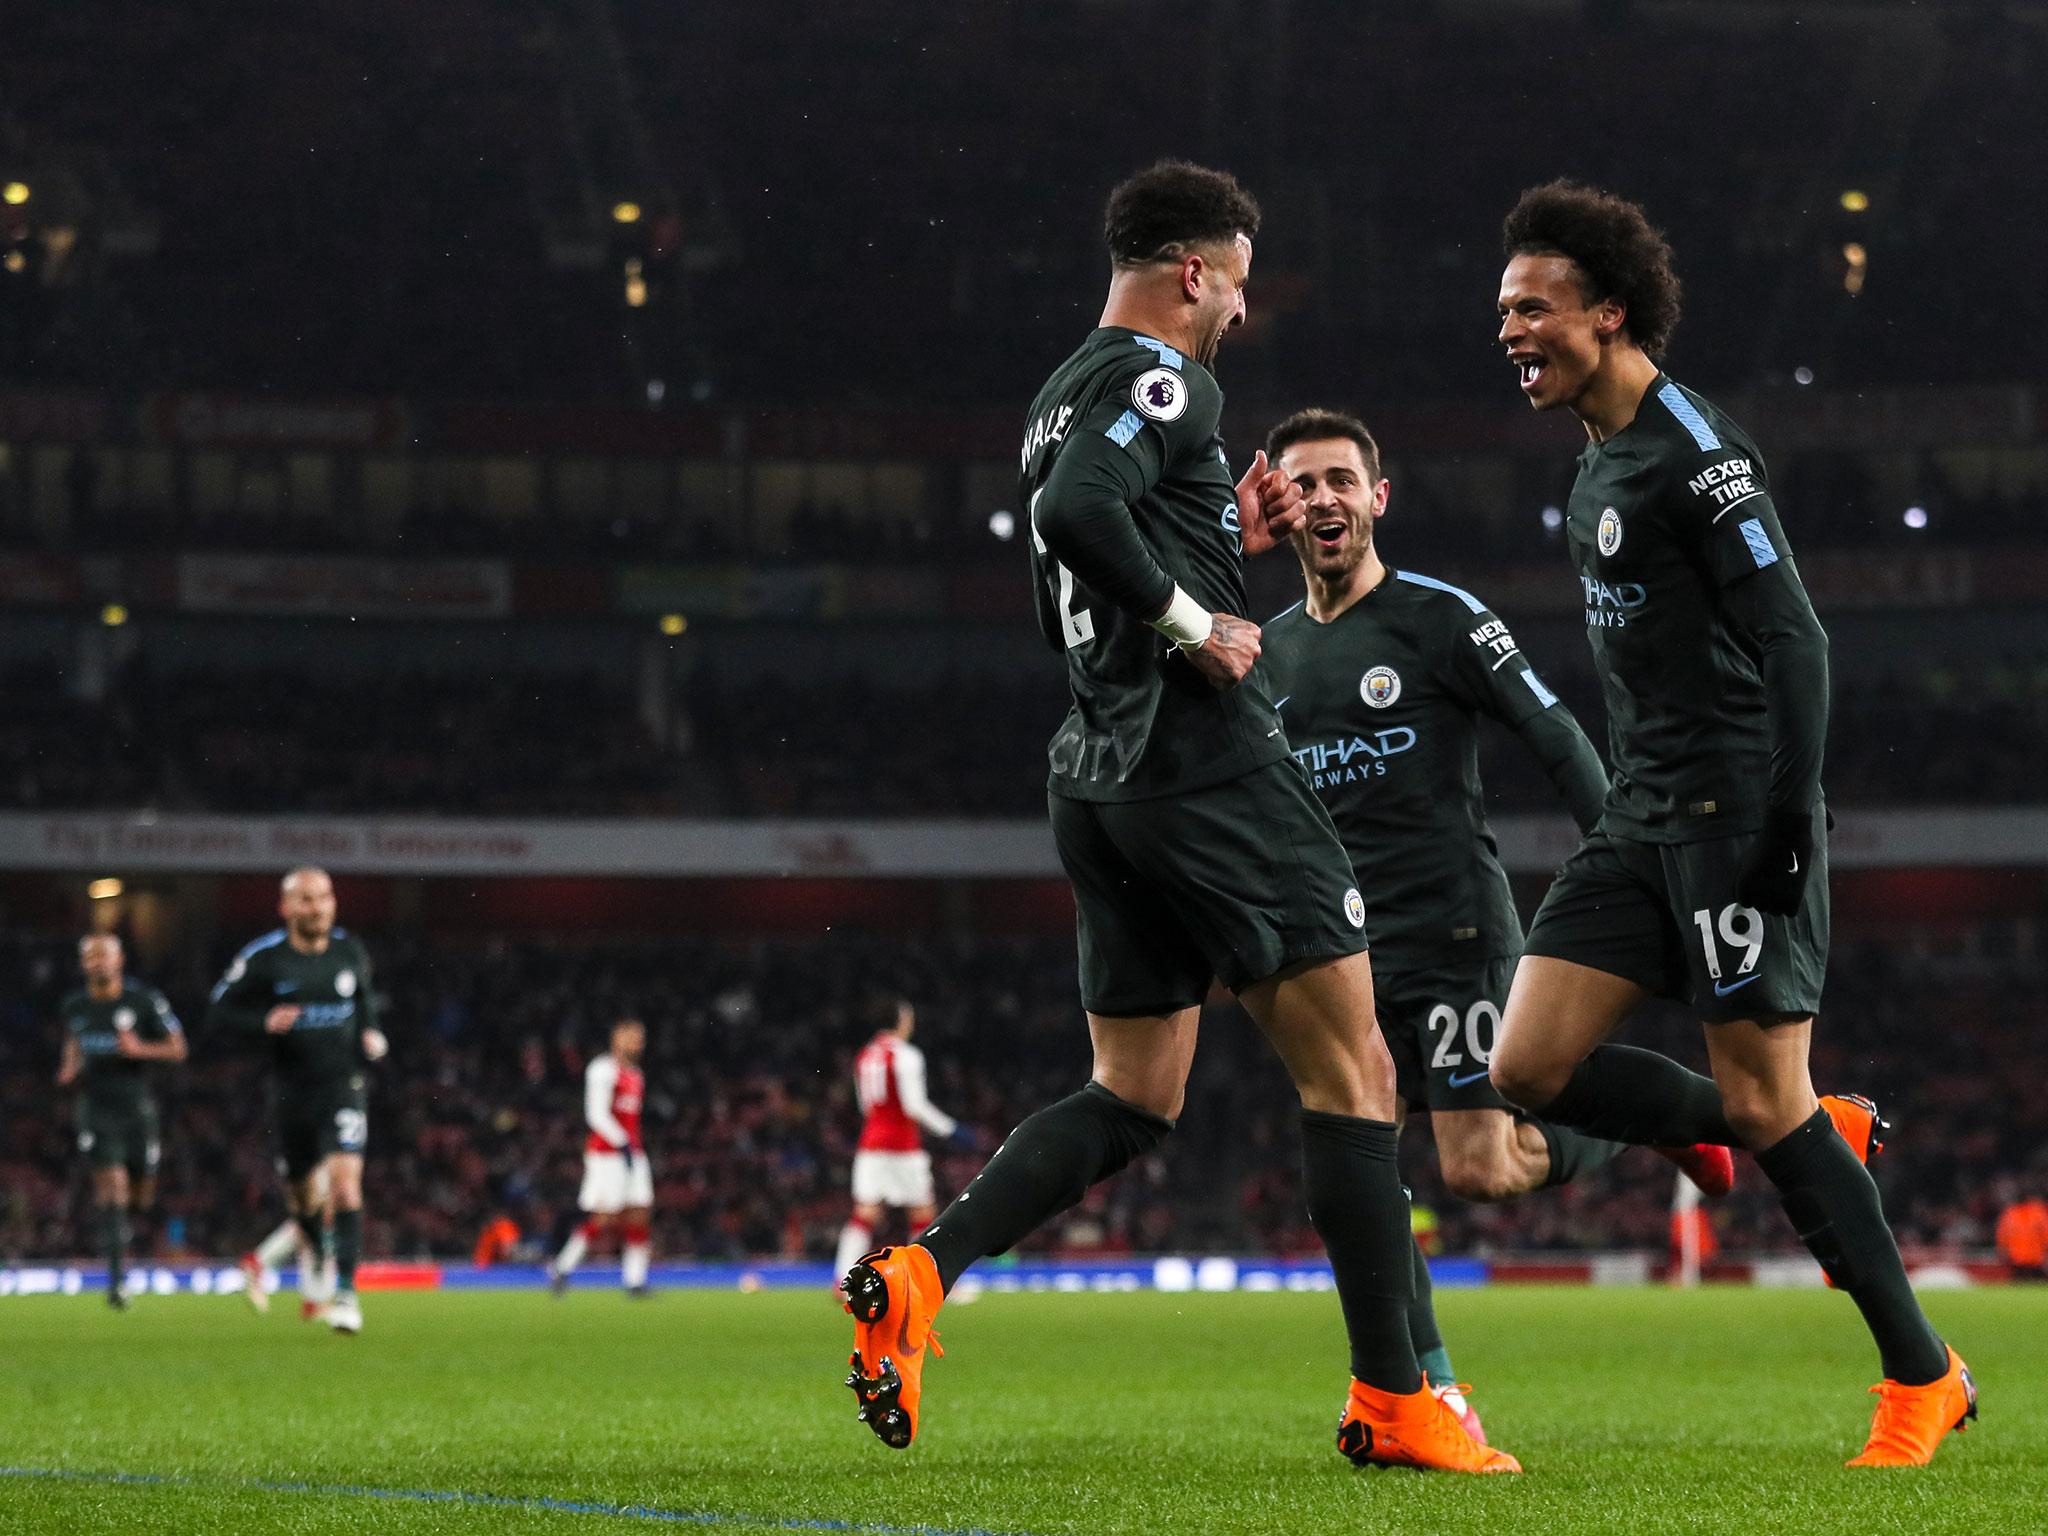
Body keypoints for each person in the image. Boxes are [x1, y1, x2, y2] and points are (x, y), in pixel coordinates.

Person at [841, 161, 1515, 1474]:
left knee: (1136, 1092)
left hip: (1096, 775)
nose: (1241, 317)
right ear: (1195, 272)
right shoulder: (1169, 378)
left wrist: (1219, 553)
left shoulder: (1055, 396)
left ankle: (928, 1273)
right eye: (1240, 286)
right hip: (1210, 772)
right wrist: (1194, 615)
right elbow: (1079, 514)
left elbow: (1062, 578)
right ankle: (1397, 1399)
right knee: (1358, 1073)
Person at [1488, 179, 1973, 1467]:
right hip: (1638, 817)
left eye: (1530, 308)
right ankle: (1806, 1125)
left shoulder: (1695, 452)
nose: (1508, 330)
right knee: (1522, 1071)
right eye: (1502, 310)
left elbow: (1795, 640)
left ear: (1606, 311)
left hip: (1724, 816)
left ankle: (1920, 1376)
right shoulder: (1595, 454)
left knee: (1766, 1103)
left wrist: (1787, 821)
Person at [1259, 407, 1736, 1438]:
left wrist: (1631, 867)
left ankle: (1656, 1120)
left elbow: (1553, 735)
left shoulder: (1439, 620)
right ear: (1280, 507)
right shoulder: (1263, 656)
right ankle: (1430, 1391)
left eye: (1344, 478)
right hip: (1337, 958)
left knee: (1480, 1169)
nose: (1327, 498)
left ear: (1377, 499)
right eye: (1306, 483)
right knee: (1360, 1178)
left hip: (1451, 937)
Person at [208, 867, 387, 1335]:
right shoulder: (265, 959)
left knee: (346, 1186)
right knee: (305, 1202)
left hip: (343, 1086)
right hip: (291, 1095)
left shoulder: (350, 951)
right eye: (306, 899)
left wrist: (370, 1031)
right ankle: (314, 1269)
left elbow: (365, 1000)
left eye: (325, 897)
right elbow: (219, 1013)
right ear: (285, 908)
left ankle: (346, 1293)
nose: (318, 907)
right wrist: (263, 1020)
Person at [56, 934, 187, 1309]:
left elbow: (178, 1048)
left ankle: (124, 1226)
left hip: (137, 1111)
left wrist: (139, 1049)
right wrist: (67, 1069)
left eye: (105, 955)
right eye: (91, 956)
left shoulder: (143, 1001)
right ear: (83, 964)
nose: (98, 962)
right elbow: (73, 1043)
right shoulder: (75, 1006)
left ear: (120, 960)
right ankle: (117, 1283)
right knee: (112, 1188)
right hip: (95, 1110)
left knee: (140, 1196)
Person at [833, 997, 973, 1285]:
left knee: (865, 1212)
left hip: (871, 1143)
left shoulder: (865, 1055)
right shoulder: (906, 1055)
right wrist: (951, 1129)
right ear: (900, 1020)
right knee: (922, 1213)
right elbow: (913, 1105)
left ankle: (842, 1279)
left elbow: (865, 1106)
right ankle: (929, 1281)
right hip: (902, 1144)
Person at [548, 1018, 655, 1297]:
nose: (637, 1043)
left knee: (639, 1212)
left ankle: (635, 1281)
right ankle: (562, 1267)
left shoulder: (636, 1074)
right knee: (605, 1216)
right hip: (608, 1154)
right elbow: (596, 1113)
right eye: (632, 1037)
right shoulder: (602, 1069)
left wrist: (632, 1148)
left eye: (640, 1038)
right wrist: (621, 1144)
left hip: (633, 1152)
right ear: (617, 1039)